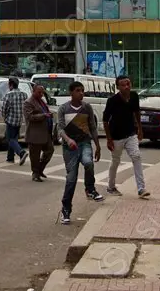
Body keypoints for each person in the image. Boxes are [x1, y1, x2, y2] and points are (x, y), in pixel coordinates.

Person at [56, 81, 104, 224]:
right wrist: (68, 140)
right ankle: (66, 209)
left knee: (88, 163)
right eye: (78, 90)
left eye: (82, 90)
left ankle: (90, 189)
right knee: (71, 179)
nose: (81, 93)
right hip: (69, 148)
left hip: (84, 143)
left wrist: (98, 146)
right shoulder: (63, 108)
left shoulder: (87, 107)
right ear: (71, 92)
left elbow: (93, 127)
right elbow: (60, 128)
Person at [103, 75, 149, 199]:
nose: (127, 86)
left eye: (128, 84)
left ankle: (141, 188)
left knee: (136, 156)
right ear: (118, 87)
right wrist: (109, 139)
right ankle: (111, 186)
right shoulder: (112, 100)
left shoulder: (134, 96)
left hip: (131, 133)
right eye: (123, 85)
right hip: (116, 136)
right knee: (115, 161)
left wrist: (140, 128)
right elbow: (105, 121)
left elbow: (137, 112)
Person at [23, 84, 55, 181]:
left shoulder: (41, 101)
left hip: (45, 132)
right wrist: (44, 115)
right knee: (35, 156)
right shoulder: (28, 102)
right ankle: (35, 173)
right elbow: (30, 117)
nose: (41, 94)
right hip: (35, 133)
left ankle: (40, 169)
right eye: (39, 92)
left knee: (50, 150)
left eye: (42, 92)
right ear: (33, 91)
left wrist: (48, 115)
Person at [1, 77, 29, 166]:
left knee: (10, 139)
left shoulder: (8, 95)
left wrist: (5, 118)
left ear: (11, 85)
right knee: (14, 138)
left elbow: (4, 109)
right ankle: (10, 158)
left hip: (11, 120)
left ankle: (21, 152)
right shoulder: (24, 94)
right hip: (20, 120)